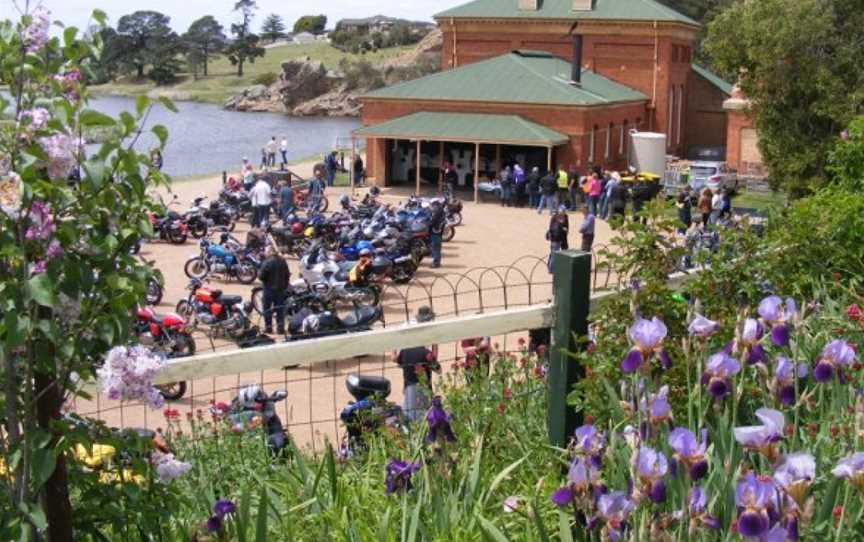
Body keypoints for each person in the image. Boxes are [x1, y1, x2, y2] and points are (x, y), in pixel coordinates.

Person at [395, 307, 439, 421]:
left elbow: (394, 358)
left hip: (408, 387)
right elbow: (437, 368)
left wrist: (394, 345)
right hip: (423, 389)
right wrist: (435, 342)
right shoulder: (426, 352)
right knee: (424, 418)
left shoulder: (405, 351)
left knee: (409, 415)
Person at [258, 245, 291, 335]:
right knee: (280, 310)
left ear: (269, 252)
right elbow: (287, 274)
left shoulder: (267, 262)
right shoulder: (282, 261)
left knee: (267, 309)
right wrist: (285, 285)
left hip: (269, 289)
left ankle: (268, 328)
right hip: (280, 290)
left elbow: (261, 276)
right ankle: (280, 329)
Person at [429, 200, 445, 268]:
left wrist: (428, 225)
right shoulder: (442, 212)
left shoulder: (437, 214)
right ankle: (437, 262)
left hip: (436, 233)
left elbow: (432, 222)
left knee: (436, 248)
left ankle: (436, 263)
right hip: (439, 233)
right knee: (437, 248)